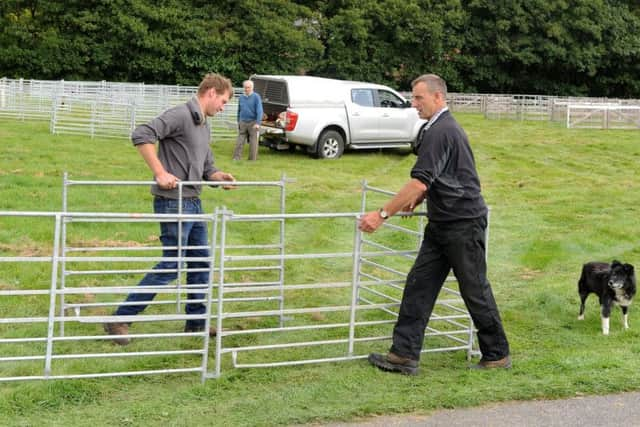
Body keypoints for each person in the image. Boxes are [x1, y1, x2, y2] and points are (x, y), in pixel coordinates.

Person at [358, 74, 510, 375]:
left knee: (474, 289)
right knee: (419, 285)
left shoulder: (442, 130)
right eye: (413, 98)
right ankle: (403, 354)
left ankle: (497, 354)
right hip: (442, 222)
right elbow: (440, 175)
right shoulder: (438, 128)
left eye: (419, 98)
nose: (414, 104)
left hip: (463, 223)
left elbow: (417, 181)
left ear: (438, 97)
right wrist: (426, 194)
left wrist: (382, 214)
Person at [104, 73, 236, 345]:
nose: (223, 107)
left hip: (193, 202)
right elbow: (142, 134)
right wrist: (160, 173)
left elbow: (206, 166)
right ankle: (120, 318)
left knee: (200, 262)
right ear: (211, 92)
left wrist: (218, 176)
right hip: (173, 201)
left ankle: (196, 324)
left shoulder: (203, 125)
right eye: (223, 101)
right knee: (172, 264)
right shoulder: (179, 115)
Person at [232, 79, 263, 161]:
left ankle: (252, 159)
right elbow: (239, 110)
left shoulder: (256, 97)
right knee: (240, 141)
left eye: (248, 87)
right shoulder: (241, 97)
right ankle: (236, 158)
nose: (246, 89)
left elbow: (259, 111)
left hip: (253, 122)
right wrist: (238, 121)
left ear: (252, 88)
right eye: (245, 87)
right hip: (243, 122)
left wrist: (258, 123)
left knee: (253, 142)